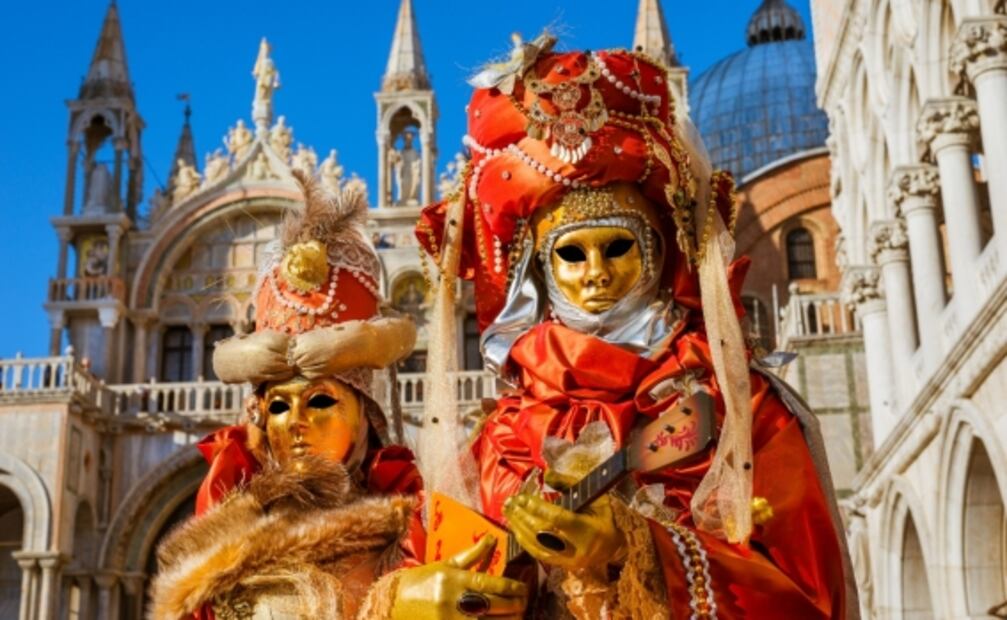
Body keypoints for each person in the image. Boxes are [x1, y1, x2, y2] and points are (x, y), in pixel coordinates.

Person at [417, 35, 857, 619]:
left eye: (618, 247)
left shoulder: (739, 411)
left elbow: (807, 595)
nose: (595, 274)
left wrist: (641, 549)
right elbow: (447, 570)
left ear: (656, 254)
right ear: (540, 275)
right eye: (572, 255)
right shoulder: (500, 441)